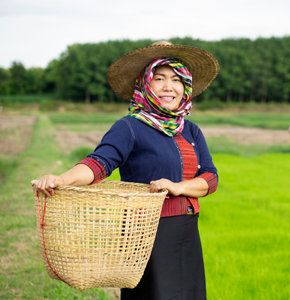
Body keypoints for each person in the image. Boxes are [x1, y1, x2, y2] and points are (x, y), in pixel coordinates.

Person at [32, 41, 220, 299]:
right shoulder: (130, 127)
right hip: (145, 237)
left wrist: (177, 187)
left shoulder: (191, 130)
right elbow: (99, 164)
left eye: (176, 80)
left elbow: (210, 178)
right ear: (145, 84)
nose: (169, 87)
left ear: (185, 87)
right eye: (159, 78)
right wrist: (61, 179)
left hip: (187, 231)